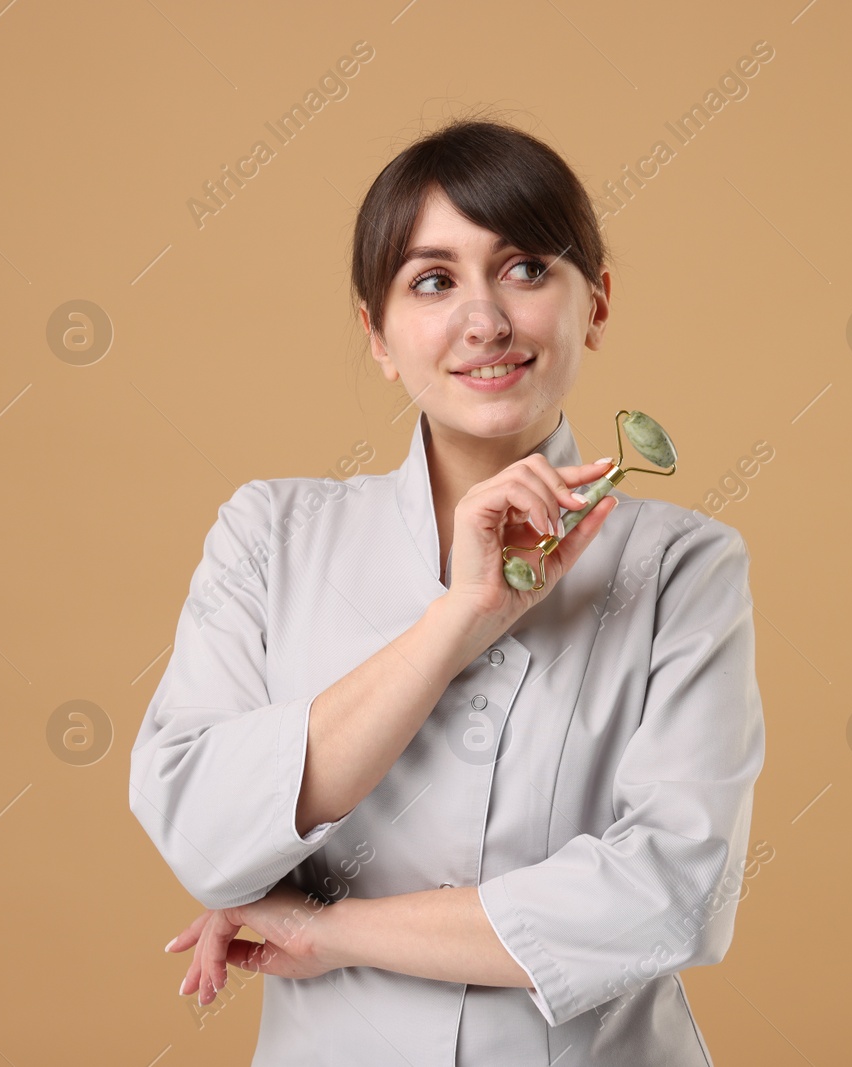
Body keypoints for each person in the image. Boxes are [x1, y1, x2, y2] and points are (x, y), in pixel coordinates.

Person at [128, 116, 766, 1066]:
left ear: (594, 303)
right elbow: (203, 834)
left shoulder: (683, 565)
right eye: (433, 281)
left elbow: (676, 895)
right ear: (377, 336)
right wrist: (455, 622)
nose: (486, 322)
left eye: (525, 269)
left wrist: (333, 930)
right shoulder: (270, 535)